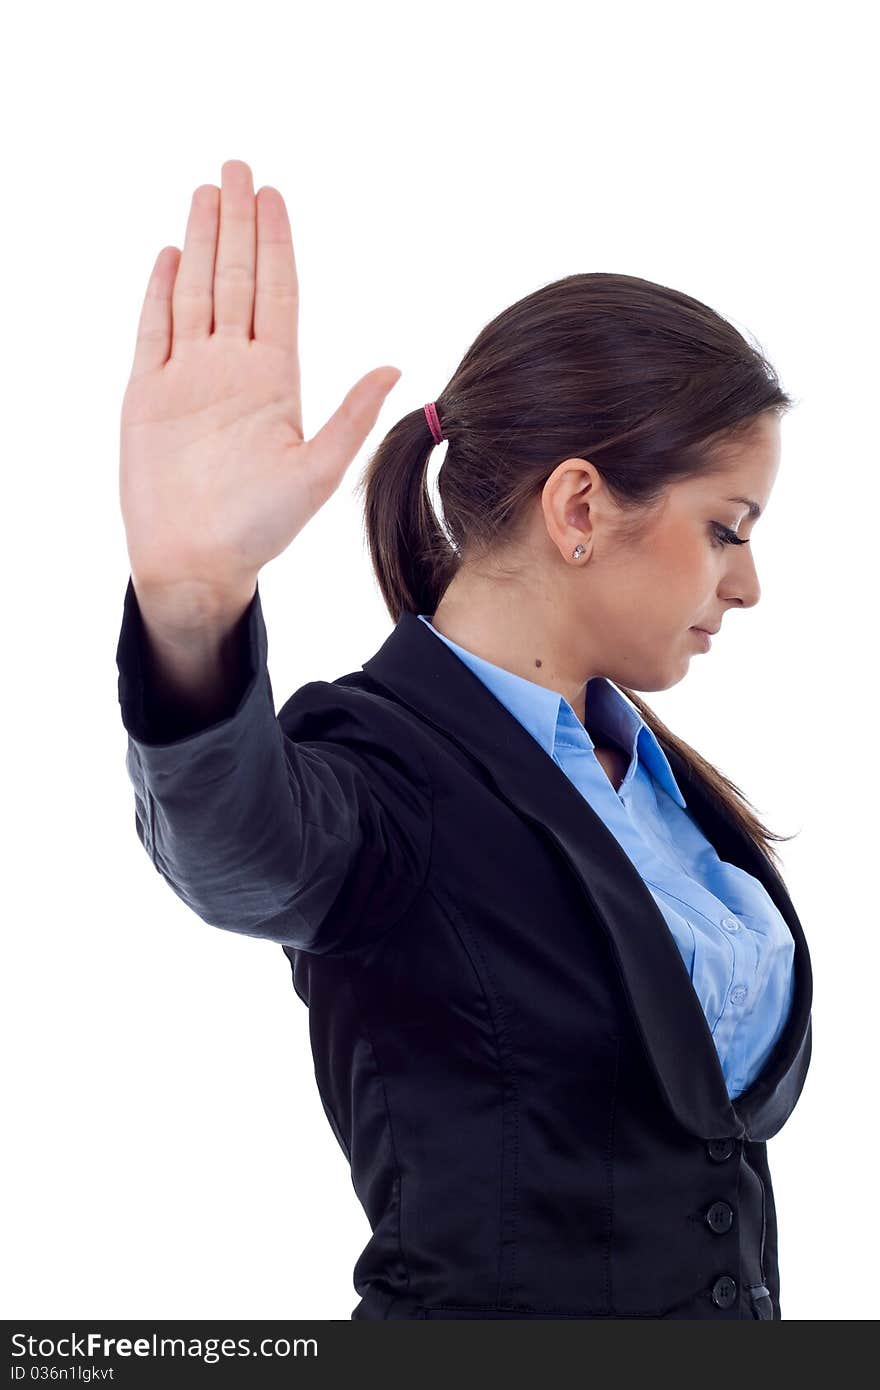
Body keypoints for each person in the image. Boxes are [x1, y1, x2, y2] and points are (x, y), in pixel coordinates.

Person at [115, 159, 813, 1320]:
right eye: (725, 529)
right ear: (580, 506)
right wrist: (191, 601)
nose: (749, 585)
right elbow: (235, 844)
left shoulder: (647, 775)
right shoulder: (385, 766)